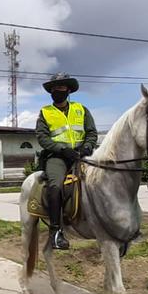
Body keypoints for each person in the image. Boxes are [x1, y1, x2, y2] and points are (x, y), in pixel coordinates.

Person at [36, 73, 98, 250]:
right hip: (58, 157)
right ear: (51, 93)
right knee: (55, 186)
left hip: (82, 154)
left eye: (61, 88)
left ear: (68, 90)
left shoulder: (81, 109)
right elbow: (42, 138)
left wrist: (87, 146)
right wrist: (62, 149)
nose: (58, 91)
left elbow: (91, 132)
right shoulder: (45, 112)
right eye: (55, 89)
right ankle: (56, 232)